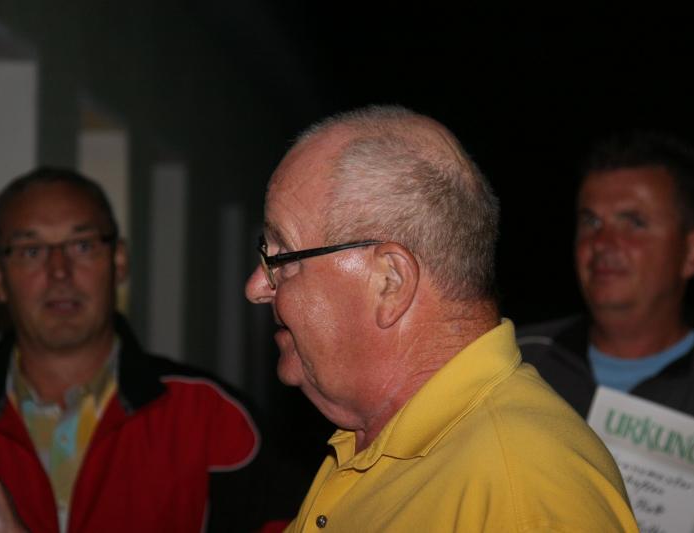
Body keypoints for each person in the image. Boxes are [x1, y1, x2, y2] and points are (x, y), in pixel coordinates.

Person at [245, 105, 638, 532]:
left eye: (283, 257)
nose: (256, 286)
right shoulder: (378, 443)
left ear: (390, 282)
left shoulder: (522, 493)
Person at [517, 131, 694, 532]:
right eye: (591, 221)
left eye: (634, 222)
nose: (602, 242)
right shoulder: (511, 363)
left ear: (693, 253)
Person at [0, 167, 268, 532]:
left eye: (82, 245)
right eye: (31, 251)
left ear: (119, 261)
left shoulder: (212, 417)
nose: (59, 271)